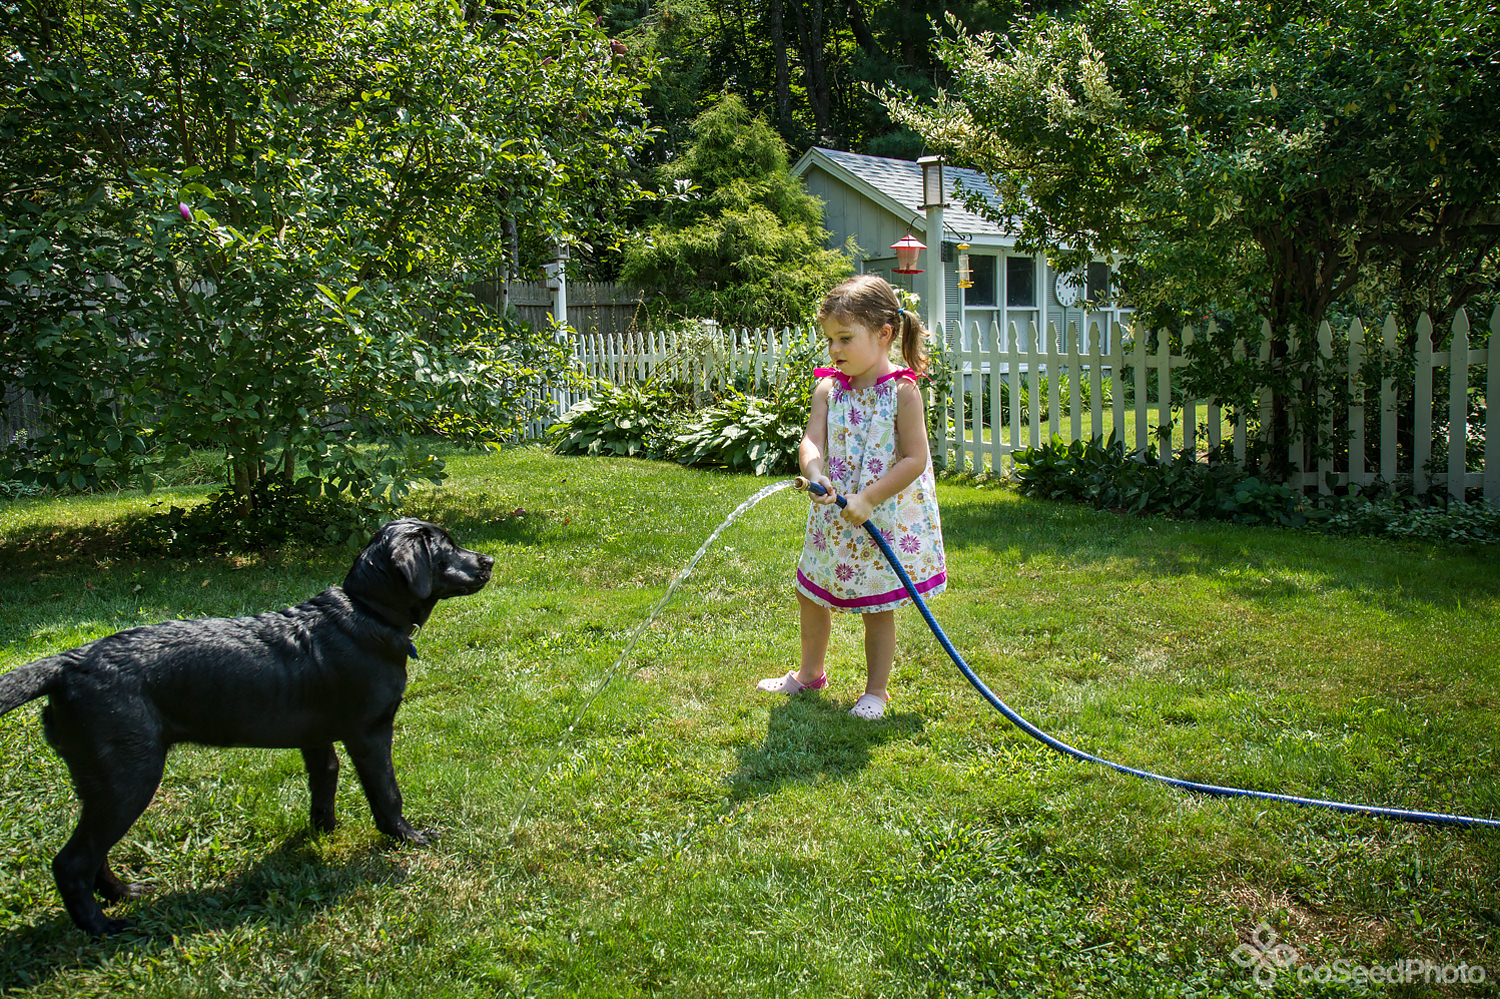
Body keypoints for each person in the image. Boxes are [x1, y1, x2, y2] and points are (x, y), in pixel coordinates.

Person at [758, 274, 947, 720]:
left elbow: (915, 459)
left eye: (845, 338)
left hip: (882, 514)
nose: (835, 350)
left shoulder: (903, 392)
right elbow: (811, 440)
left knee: (877, 605)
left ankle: (876, 692)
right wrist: (814, 471)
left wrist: (867, 498)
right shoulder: (828, 388)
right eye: (830, 340)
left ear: (884, 334)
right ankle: (810, 674)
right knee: (811, 592)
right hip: (832, 516)